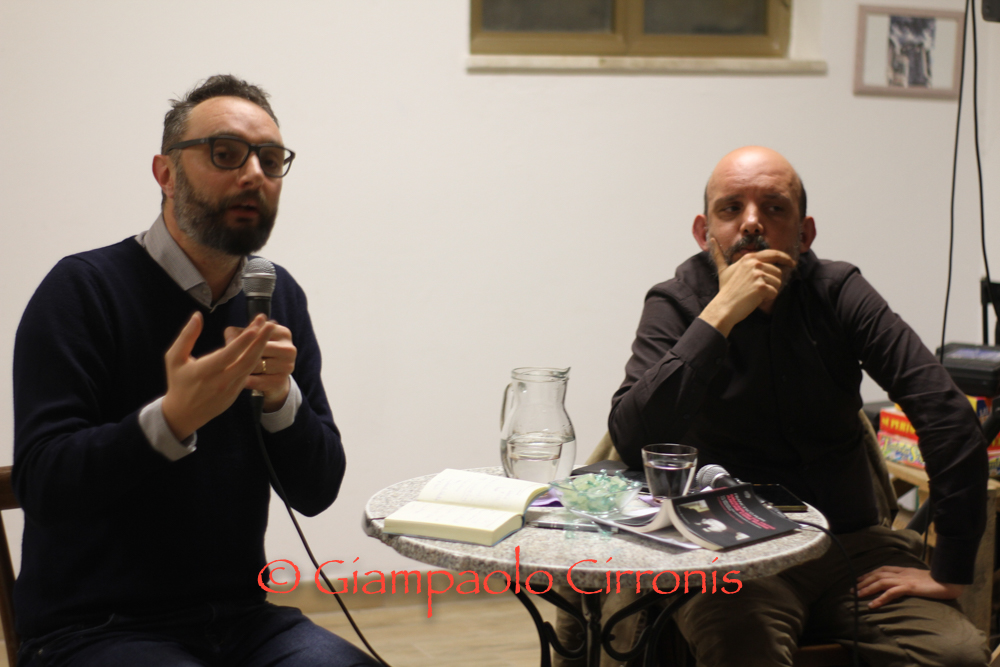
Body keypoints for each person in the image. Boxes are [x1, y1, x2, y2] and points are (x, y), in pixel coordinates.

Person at [12, 75, 379, 667]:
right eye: (226, 153)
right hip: (93, 627)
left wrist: (280, 399)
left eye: (270, 160)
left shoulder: (276, 298)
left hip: (242, 618)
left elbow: (317, 491)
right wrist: (169, 420)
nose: (254, 174)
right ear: (165, 173)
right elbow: (43, 486)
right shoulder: (81, 291)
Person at [608, 146, 990, 666]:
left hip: (847, 545)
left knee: (958, 655)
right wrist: (720, 314)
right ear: (704, 232)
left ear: (805, 234)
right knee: (745, 650)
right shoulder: (676, 302)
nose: (751, 223)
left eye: (774, 208)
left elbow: (945, 413)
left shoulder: (839, 291)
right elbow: (632, 438)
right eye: (731, 209)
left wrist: (951, 569)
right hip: (727, 552)